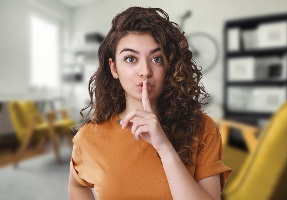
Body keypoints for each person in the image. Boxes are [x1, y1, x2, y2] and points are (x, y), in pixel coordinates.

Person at [68, 6, 231, 200]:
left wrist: (165, 148)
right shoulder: (89, 137)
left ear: (170, 65)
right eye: (130, 58)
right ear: (114, 68)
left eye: (157, 58)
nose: (145, 71)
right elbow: (77, 186)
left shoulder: (203, 129)